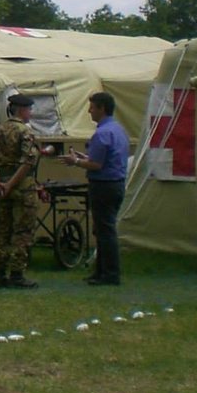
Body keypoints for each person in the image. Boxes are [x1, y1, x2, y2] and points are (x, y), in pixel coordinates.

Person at [67, 91, 129, 285]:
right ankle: (100, 271)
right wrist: (85, 158)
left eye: (92, 107)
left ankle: (110, 274)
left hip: (104, 186)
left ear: (102, 108)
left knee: (105, 231)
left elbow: (97, 165)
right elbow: (106, 159)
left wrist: (76, 161)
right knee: (102, 229)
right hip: (116, 183)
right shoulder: (118, 130)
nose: (89, 111)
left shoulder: (102, 133)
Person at [0, 92, 40, 288]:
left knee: (1, 230)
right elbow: (27, 162)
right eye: (29, 110)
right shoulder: (25, 132)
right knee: (22, 230)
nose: (30, 113)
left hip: (2, 183)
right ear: (22, 110)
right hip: (22, 186)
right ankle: (17, 274)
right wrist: (11, 184)